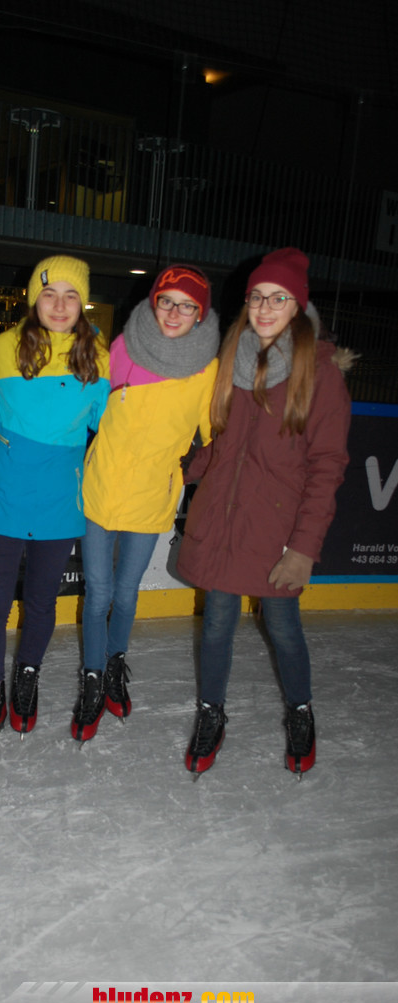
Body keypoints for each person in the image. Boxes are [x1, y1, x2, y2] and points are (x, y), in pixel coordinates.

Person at [177, 247, 353, 777]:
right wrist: (178, 470)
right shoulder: (234, 359)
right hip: (223, 519)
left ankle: (300, 712)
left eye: (279, 298)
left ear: (298, 307)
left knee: (283, 626)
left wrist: (303, 549)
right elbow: (223, 444)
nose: (265, 307)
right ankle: (212, 713)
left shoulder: (321, 374)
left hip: (276, 529)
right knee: (215, 625)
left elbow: (327, 467)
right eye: (257, 297)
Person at [0, 255, 110, 753]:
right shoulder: (2, 348)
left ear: (83, 304)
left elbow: (107, 426)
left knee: (43, 602)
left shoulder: (97, 356)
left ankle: (27, 676)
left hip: (58, 502)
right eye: (50, 294)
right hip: (2, 498)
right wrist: (5, 445)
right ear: (33, 298)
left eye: (71, 296)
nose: (60, 305)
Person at [80, 266, 220, 737]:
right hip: (101, 488)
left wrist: (183, 474)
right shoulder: (122, 348)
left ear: (200, 314)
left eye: (187, 305)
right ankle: (92, 678)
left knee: (125, 592)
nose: (175, 313)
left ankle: (114, 666)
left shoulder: (206, 368)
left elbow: (214, 438)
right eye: (167, 301)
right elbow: (91, 408)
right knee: (98, 593)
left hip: (150, 497)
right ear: (153, 302)